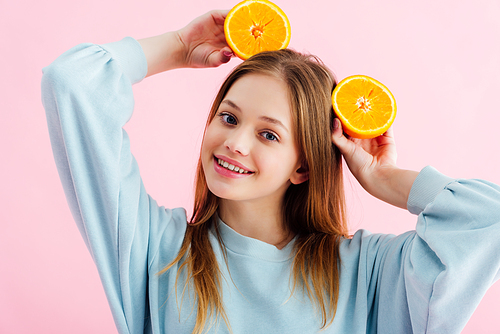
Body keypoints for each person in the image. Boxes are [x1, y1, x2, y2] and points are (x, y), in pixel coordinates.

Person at [41, 9, 500, 334]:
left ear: (303, 166)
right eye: (229, 117)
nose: (234, 143)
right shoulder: (155, 250)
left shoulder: (368, 273)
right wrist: (179, 47)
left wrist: (387, 180)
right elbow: (71, 83)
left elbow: (489, 219)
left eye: (269, 135)